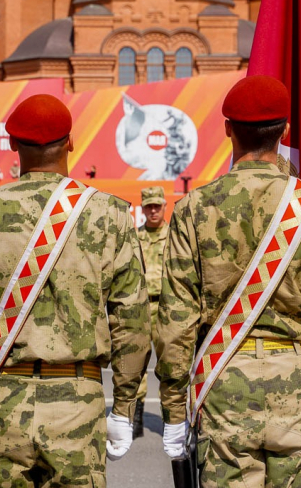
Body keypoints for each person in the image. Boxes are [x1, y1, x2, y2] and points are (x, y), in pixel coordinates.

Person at [155, 76, 301, 488]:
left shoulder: (194, 208)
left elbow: (175, 324)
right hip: (298, 382)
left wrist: (173, 412)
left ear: (228, 128)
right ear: (285, 131)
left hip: (223, 378)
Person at [0, 94, 150, 487]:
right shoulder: (110, 213)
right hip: (79, 399)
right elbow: (132, 321)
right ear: (70, 142)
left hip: (2, 401)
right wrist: (124, 407)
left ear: (11, 145)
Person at [133, 185, 168, 438]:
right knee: (137, 364)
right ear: (143, 208)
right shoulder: (135, 237)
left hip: (167, 306)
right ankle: (136, 418)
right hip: (142, 306)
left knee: (170, 364)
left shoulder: (175, 236)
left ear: (165, 206)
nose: (153, 210)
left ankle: (172, 420)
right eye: (149, 206)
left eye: (157, 205)